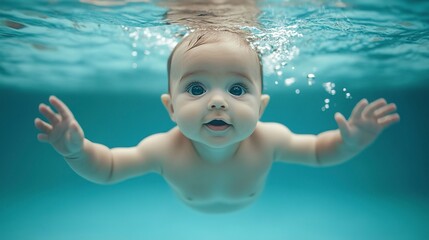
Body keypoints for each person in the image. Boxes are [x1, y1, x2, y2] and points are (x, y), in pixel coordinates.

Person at [35, 2, 400, 214]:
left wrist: (350, 142)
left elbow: (320, 153)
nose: (218, 100)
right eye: (195, 87)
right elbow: (110, 168)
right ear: (171, 108)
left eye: (238, 88)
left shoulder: (269, 140)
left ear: (261, 107)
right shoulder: (164, 149)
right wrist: (76, 151)